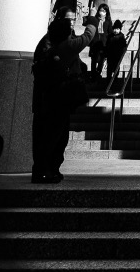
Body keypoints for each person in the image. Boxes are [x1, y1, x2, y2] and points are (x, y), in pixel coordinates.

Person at [31, 10, 95, 183]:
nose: (72, 23)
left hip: (47, 99)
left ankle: (46, 169)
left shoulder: (47, 44)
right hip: (57, 99)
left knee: (50, 136)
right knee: (55, 137)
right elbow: (87, 37)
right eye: (70, 21)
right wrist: (93, 21)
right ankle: (46, 170)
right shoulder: (64, 46)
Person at [88, 4, 112, 80]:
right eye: (101, 10)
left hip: (103, 43)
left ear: (107, 12)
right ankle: (93, 74)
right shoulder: (95, 19)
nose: (102, 12)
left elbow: (110, 32)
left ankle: (99, 72)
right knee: (94, 59)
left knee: (101, 59)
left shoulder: (108, 21)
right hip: (95, 42)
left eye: (104, 11)